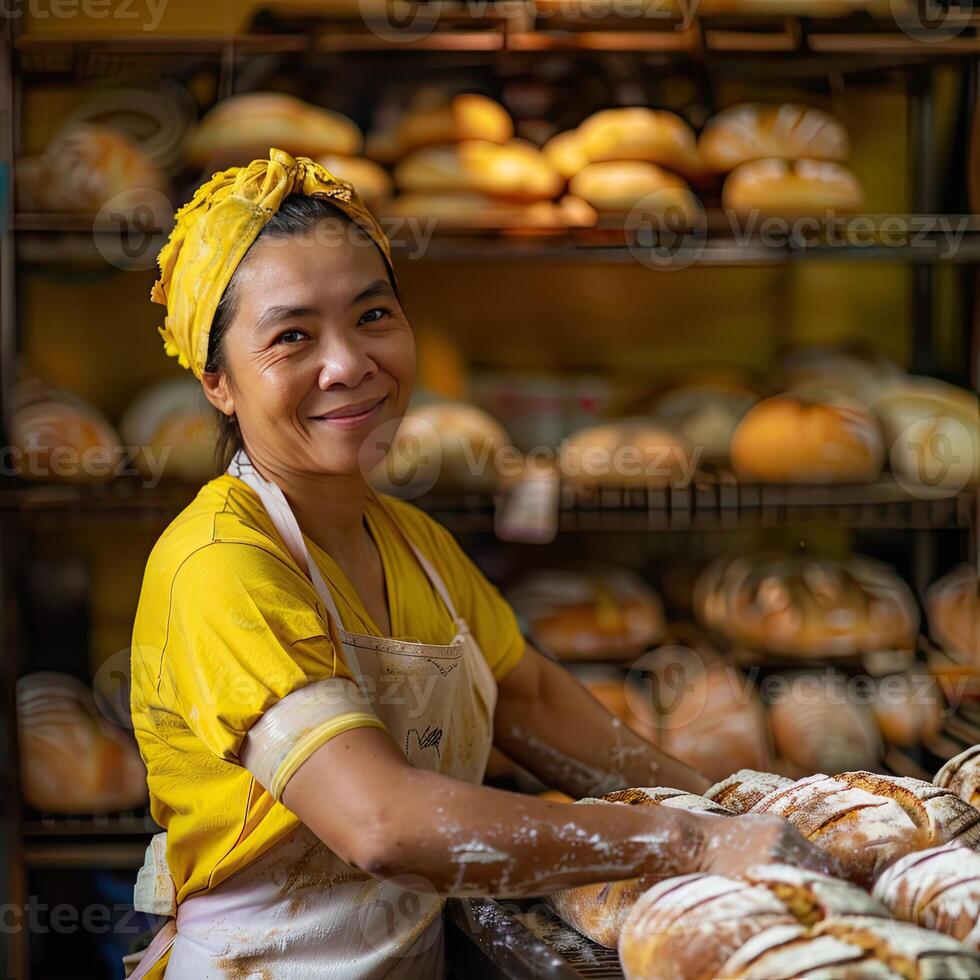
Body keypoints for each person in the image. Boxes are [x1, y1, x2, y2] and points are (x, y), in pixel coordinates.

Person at [128, 148, 831, 979]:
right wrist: (684, 840)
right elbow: (381, 825)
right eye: (291, 336)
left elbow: (526, 697)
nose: (349, 363)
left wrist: (728, 807)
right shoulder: (220, 567)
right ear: (218, 381)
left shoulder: (415, 545)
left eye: (373, 315)